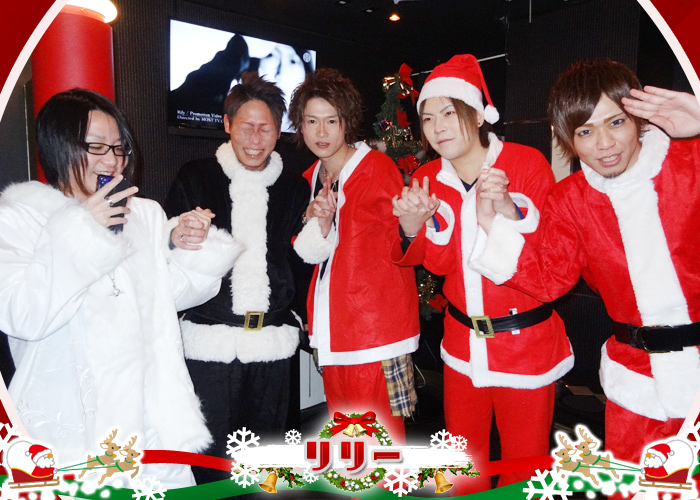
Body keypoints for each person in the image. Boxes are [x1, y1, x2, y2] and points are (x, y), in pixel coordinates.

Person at [0, 88, 241, 488]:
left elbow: (166, 298)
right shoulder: (19, 219)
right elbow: (23, 316)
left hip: (151, 422)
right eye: (96, 147)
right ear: (58, 146)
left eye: (119, 148)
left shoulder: (143, 214)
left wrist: (186, 246)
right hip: (71, 424)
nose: (112, 161)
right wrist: (83, 231)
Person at [472, 59, 700, 467]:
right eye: (585, 131)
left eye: (616, 122)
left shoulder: (690, 163)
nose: (604, 144)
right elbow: (550, 278)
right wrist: (493, 224)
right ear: (568, 140)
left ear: (639, 120)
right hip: (637, 387)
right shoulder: (570, 200)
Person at [391, 54, 573, 493]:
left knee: (523, 469)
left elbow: (550, 256)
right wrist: (412, 227)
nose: (437, 127)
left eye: (449, 113)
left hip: (525, 345)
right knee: (462, 466)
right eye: (428, 118)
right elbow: (438, 264)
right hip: (462, 346)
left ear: (477, 114)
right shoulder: (429, 176)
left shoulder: (525, 164)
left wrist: (509, 210)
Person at [164, 72, 311, 483]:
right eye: (246, 126)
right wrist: (176, 236)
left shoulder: (294, 187)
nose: (255, 138)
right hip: (209, 349)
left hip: (273, 349)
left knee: (269, 468)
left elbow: (302, 262)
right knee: (210, 467)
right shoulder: (195, 177)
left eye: (266, 128)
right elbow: (168, 257)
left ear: (279, 131)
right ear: (227, 124)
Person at [289, 68, 420, 443]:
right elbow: (309, 253)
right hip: (332, 330)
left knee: (380, 442)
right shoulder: (310, 177)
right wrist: (314, 219)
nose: (321, 132)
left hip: (374, 333)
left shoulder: (376, 168)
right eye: (311, 121)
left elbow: (401, 245)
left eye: (331, 121)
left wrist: (412, 227)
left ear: (346, 122)